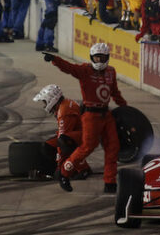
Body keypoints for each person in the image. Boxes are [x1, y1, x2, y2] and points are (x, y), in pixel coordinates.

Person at [43, 42, 128, 193]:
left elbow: (114, 92)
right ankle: (65, 172)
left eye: (102, 58)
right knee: (87, 147)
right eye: (96, 58)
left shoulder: (111, 72)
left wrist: (125, 109)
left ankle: (110, 182)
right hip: (90, 115)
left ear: (107, 57)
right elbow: (69, 67)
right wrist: (55, 60)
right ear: (91, 58)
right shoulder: (84, 70)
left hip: (106, 115)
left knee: (112, 148)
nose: (99, 61)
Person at [33, 84, 92, 180]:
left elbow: (62, 140)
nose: (44, 105)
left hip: (86, 135)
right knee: (47, 145)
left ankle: (83, 169)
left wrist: (60, 167)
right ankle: (55, 169)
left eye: (44, 101)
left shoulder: (64, 111)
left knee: (64, 141)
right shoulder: (63, 105)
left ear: (51, 99)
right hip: (79, 134)